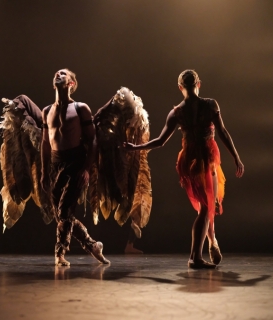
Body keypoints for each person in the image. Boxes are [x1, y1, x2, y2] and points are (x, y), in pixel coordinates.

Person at [124, 69, 244, 269]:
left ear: (180, 87)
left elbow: (160, 141)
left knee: (209, 203)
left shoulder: (177, 112)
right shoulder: (210, 105)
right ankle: (195, 256)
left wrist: (136, 147)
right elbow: (222, 132)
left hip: (193, 161)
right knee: (206, 207)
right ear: (199, 83)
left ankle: (212, 240)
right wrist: (236, 157)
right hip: (203, 159)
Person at [41, 68, 110, 266]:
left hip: (76, 161)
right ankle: (92, 245)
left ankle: (60, 253)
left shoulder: (80, 108)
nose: (58, 75)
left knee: (63, 212)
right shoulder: (46, 111)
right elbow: (45, 143)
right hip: (56, 164)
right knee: (62, 214)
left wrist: (87, 168)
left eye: (63, 74)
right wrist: (45, 172)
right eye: (56, 73)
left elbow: (93, 140)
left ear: (71, 83)